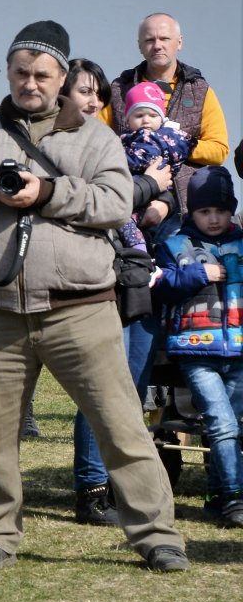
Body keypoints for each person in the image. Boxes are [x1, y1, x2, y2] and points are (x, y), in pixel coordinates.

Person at [0, 19, 188, 573]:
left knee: (121, 426)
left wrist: (46, 192)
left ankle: (158, 534)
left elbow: (115, 203)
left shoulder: (95, 135)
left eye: (42, 74)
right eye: (21, 72)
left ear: (62, 77)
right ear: (9, 72)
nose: (30, 83)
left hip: (79, 309)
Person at [66, 58, 173, 523]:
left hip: (138, 272)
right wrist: (149, 185)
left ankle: (119, 485)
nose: (91, 101)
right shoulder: (61, 146)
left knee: (131, 384)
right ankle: (91, 487)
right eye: (82, 91)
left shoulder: (116, 141)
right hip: (95, 278)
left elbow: (171, 183)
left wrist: (164, 197)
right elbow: (93, 204)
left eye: (97, 93)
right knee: (100, 387)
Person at [152, 166, 243, 525]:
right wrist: (197, 274)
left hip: (238, 351)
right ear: (192, 212)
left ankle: (216, 496)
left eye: (221, 210)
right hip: (196, 351)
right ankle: (235, 497)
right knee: (221, 424)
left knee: (232, 424)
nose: (214, 218)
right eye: (205, 212)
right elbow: (160, 287)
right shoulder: (174, 245)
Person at [100, 13, 227, 167]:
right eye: (149, 40)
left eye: (164, 39)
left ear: (179, 42)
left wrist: (175, 143)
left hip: (185, 186)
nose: (157, 45)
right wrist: (136, 148)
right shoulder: (118, 90)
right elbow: (97, 142)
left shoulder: (199, 91)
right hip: (131, 182)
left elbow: (219, 151)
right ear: (140, 46)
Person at [115, 82, 191, 243]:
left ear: (162, 118)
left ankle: (140, 252)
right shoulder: (134, 138)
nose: (146, 121)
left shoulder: (155, 139)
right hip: (144, 195)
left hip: (156, 197)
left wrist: (117, 158)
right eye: (139, 115)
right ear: (128, 119)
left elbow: (142, 159)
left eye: (152, 115)